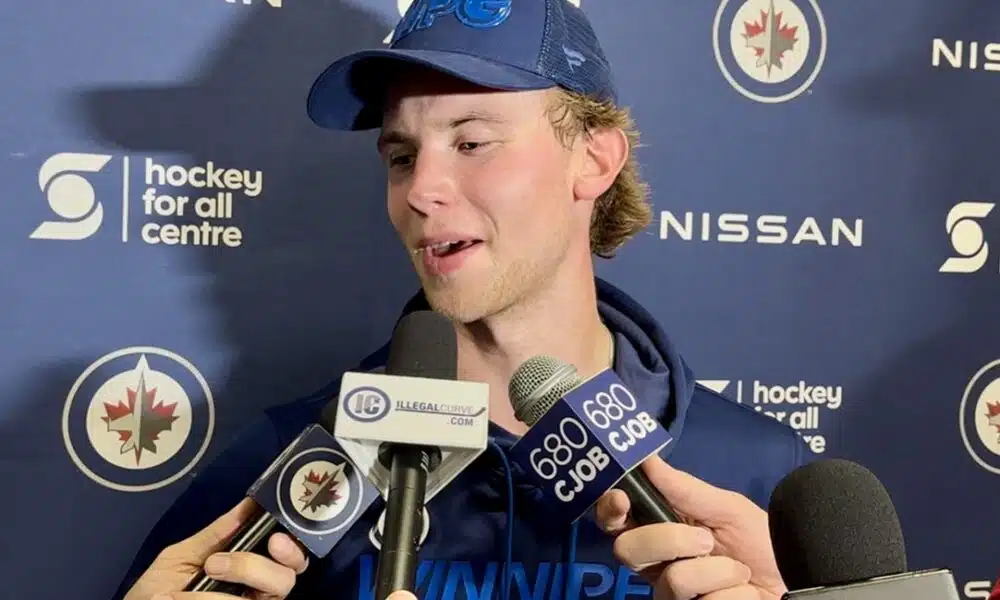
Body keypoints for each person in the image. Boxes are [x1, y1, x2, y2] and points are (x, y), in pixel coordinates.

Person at [114, 1, 812, 599]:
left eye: (472, 142)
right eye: (401, 157)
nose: (420, 190)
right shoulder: (294, 470)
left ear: (594, 159)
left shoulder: (754, 470)